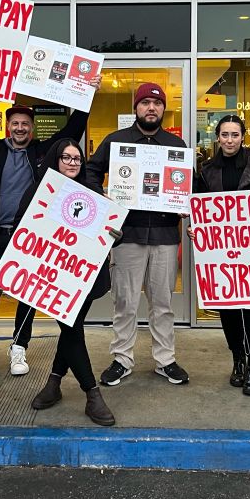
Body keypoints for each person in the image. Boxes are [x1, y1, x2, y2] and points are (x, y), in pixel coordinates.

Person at [0, 104, 90, 379]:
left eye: (25, 124)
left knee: (28, 296)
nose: (20, 128)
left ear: (32, 127)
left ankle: (19, 346)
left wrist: (86, 96)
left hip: (30, 236)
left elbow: (72, 130)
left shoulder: (42, 152)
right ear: (8, 126)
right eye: (15, 123)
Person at [85, 82, 190, 386]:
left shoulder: (175, 145)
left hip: (165, 236)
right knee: (125, 302)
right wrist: (101, 199)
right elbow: (92, 170)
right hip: (127, 234)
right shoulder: (116, 141)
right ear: (136, 107)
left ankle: (165, 359)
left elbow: (185, 184)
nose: (151, 108)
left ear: (163, 109)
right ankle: (122, 358)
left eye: (157, 104)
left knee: (163, 303)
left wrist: (183, 202)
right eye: (145, 103)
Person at [21, 138, 118, 426]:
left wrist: (115, 232)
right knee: (72, 328)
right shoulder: (39, 191)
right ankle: (92, 393)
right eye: (67, 157)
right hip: (52, 277)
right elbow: (21, 227)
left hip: (83, 277)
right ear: (56, 159)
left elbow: (105, 228)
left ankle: (53, 383)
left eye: (77, 158)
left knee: (70, 330)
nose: (73, 163)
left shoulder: (91, 191)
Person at [188, 115, 250, 396]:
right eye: (224, 135)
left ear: (243, 137)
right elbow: (200, 210)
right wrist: (198, 230)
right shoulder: (205, 170)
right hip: (221, 253)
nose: (229, 140)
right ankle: (237, 359)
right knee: (228, 309)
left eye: (235, 135)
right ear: (217, 137)